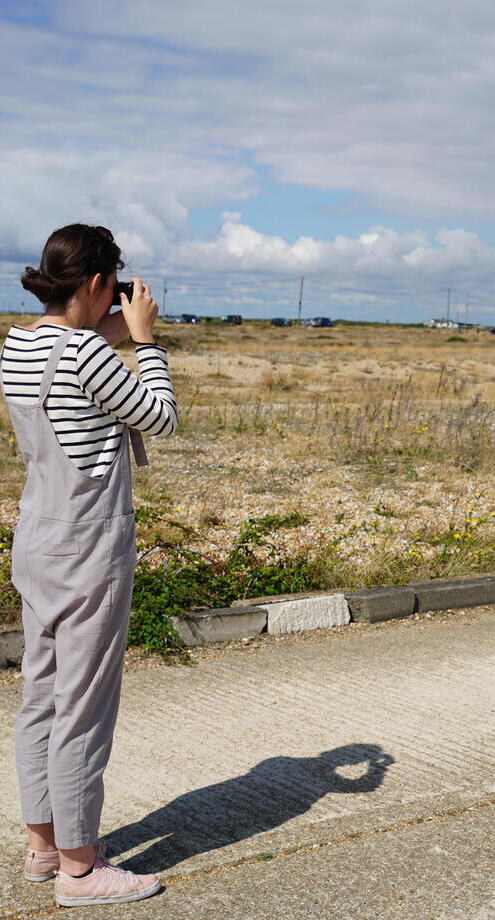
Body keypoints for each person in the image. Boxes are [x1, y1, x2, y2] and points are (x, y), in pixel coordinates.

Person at [0, 223, 178, 907]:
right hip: (89, 545)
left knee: (41, 697)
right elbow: (160, 417)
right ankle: (80, 870)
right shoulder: (89, 354)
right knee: (85, 706)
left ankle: (45, 846)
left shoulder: (19, 344)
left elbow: (67, 361)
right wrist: (146, 342)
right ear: (101, 282)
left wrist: (102, 330)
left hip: (39, 536)